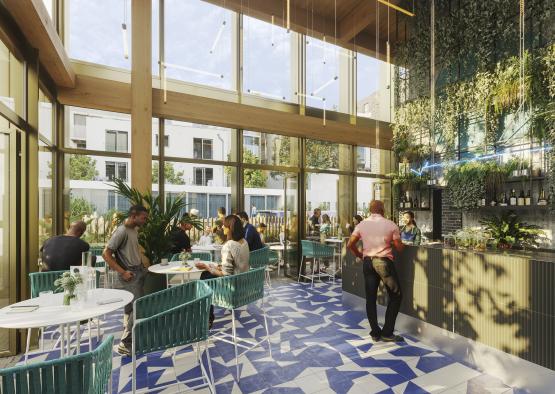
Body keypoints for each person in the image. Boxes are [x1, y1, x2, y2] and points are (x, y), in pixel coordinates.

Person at [347, 200, 405, 343]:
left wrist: (360, 255)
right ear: (382, 210)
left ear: (370, 210)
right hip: (383, 262)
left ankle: (375, 332)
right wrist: (393, 241)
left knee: (370, 298)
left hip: (368, 263)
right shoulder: (391, 225)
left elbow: (350, 244)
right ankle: (387, 332)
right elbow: (399, 248)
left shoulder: (361, 224)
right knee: (396, 296)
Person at [102, 205, 149, 356]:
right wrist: (123, 272)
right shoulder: (121, 231)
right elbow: (106, 254)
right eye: (144, 217)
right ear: (134, 216)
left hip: (137, 272)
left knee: (130, 309)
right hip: (129, 275)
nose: (146, 220)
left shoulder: (134, 230)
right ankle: (125, 343)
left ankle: (130, 337)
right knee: (139, 307)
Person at [197, 215, 250, 327]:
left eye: (224, 226)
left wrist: (207, 267)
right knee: (208, 274)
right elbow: (235, 265)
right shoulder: (244, 242)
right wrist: (216, 267)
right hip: (245, 284)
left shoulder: (229, 245)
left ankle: (207, 318)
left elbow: (225, 274)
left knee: (204, 277)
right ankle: (208, 317)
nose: (222, 228)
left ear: (230, 228)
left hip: (232, 288)